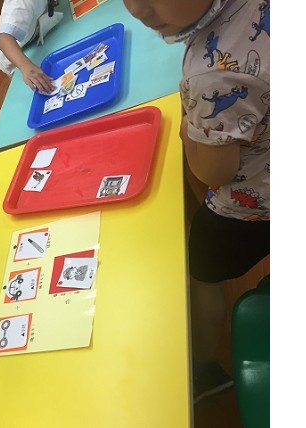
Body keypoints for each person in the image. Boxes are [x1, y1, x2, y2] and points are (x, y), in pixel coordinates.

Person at [122, 0, 270, 403]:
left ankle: (204, 369)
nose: (137, 9)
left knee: (202, 270)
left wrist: (189, 132)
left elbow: (214, 173)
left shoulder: (212, 77)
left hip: (254, 205)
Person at [0, 0, 64, 94]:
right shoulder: (20, 3)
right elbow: (5, 40)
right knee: (35, 86)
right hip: (14, 55)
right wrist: (24, 65)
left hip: (32, 35)